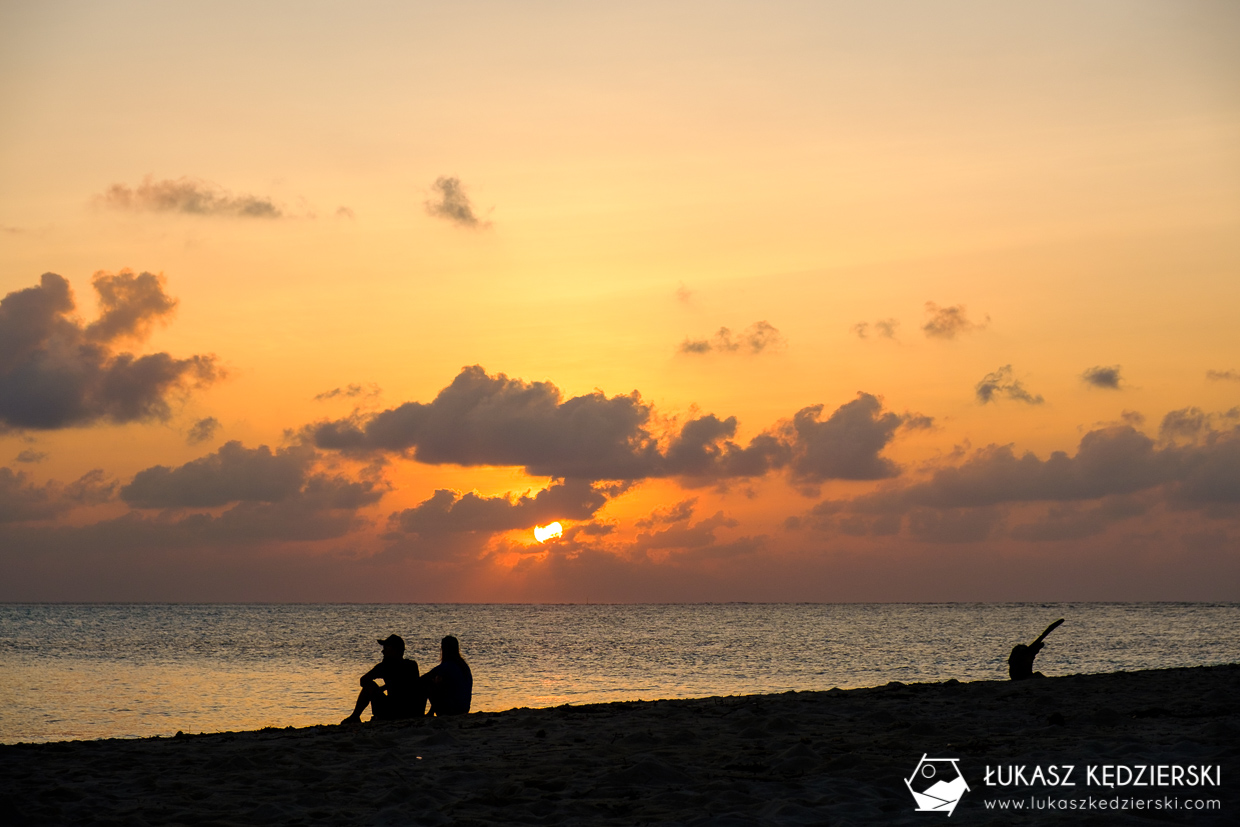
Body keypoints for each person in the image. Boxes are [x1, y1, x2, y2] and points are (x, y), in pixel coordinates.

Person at [341, 633, 425, 724]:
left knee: (369, 686)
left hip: (393, 712)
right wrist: (384, 687)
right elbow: (403, 683)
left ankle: (355, 716)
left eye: (386, 648)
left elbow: (363, 680)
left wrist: (377, 688)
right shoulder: (412, 665)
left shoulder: (385, 666)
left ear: (395, 650)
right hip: (412, 710)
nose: (383, 652)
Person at [421, 634, 472, 716]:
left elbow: (424, 678)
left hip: (452, 710)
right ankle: (431, 712)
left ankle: (424, 713)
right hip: (464, 709)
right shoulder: (464, 666)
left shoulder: (448, 666)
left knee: (428, 683)